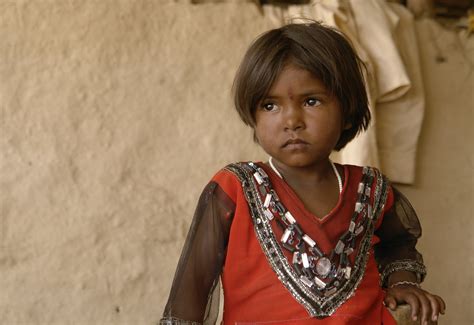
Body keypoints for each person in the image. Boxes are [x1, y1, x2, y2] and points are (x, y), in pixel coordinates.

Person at [159, 22, 445, 325]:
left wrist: (403, 284)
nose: (292, 120)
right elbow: (192, 290)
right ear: (252, 116)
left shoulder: (370, 189)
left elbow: (397, 244)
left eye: (311, 101)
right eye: (270, 105)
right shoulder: (235, 189)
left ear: (347, 111)